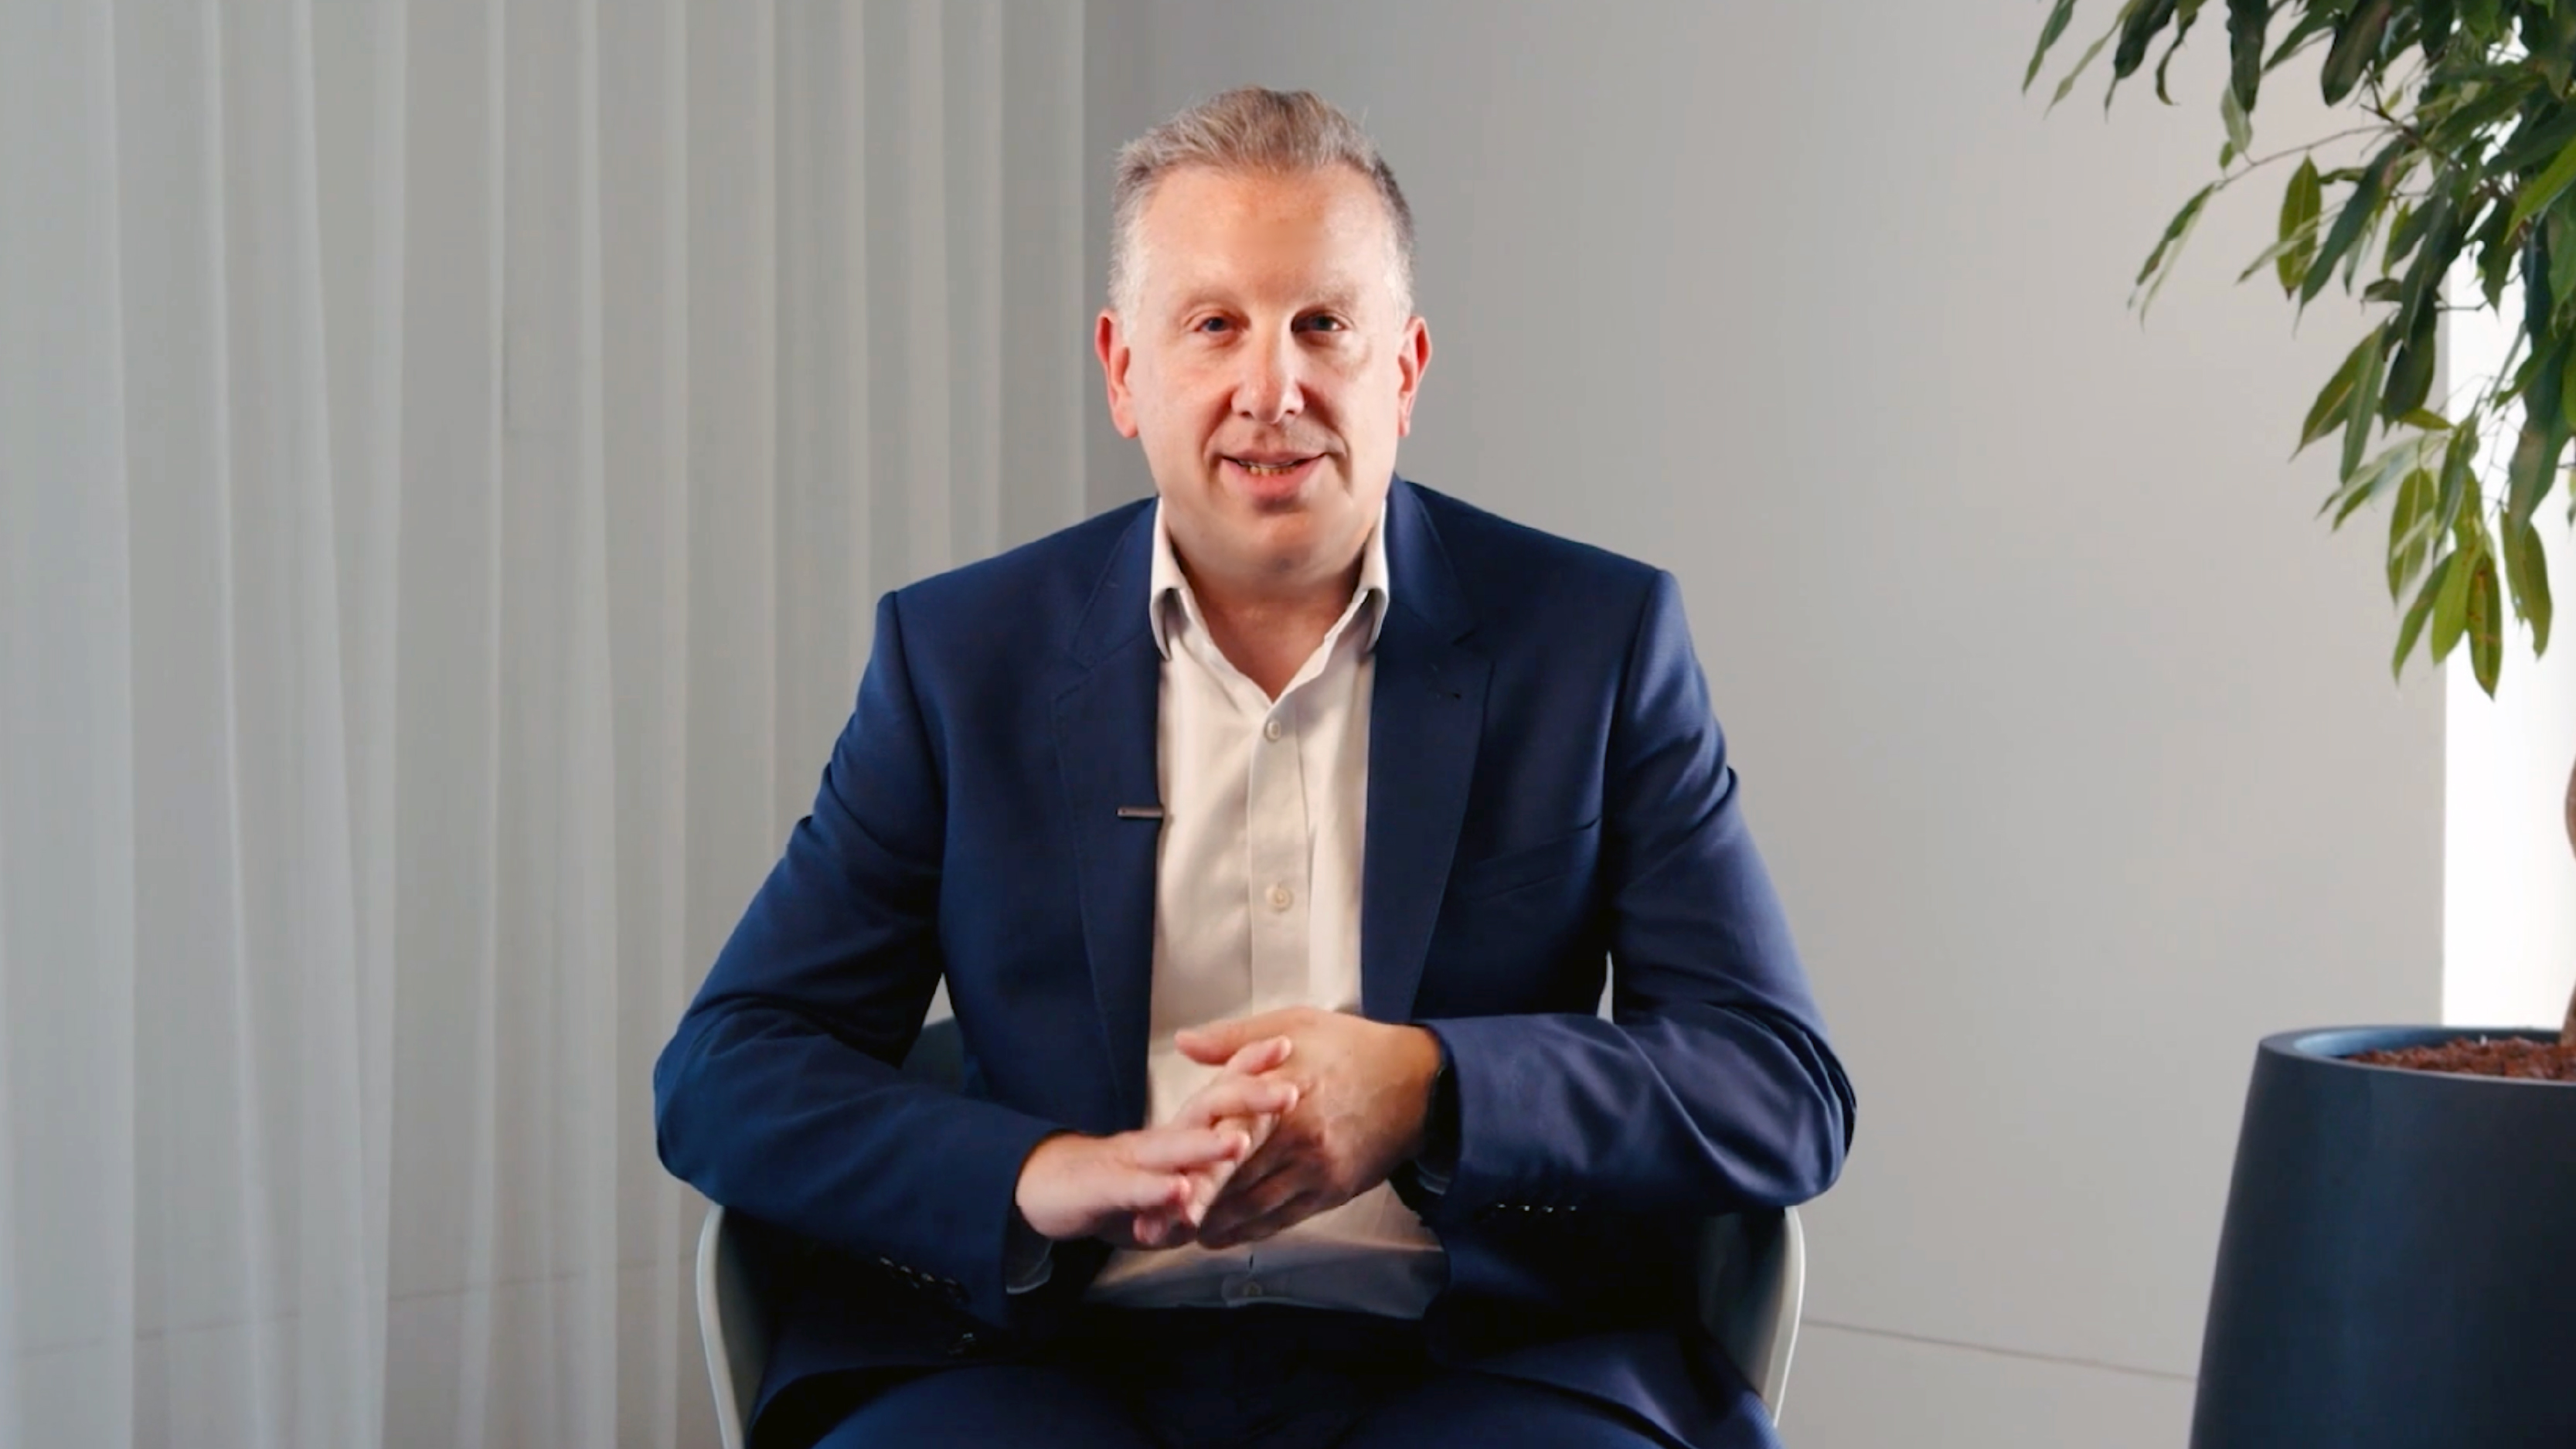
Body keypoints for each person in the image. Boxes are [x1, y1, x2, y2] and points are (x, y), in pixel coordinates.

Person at [652, 87, 1854, 1449]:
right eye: (1213, 323)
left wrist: (1429, 1087)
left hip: (1479, 1368)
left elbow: (1776, 1086)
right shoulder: (957, 658)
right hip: (1038, 1359)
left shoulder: (1596, 641)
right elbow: (726, 1071)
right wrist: (1042, 1175)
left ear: (1401, 368)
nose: (1270, 388)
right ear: (1122, 370)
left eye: (1322, 325)